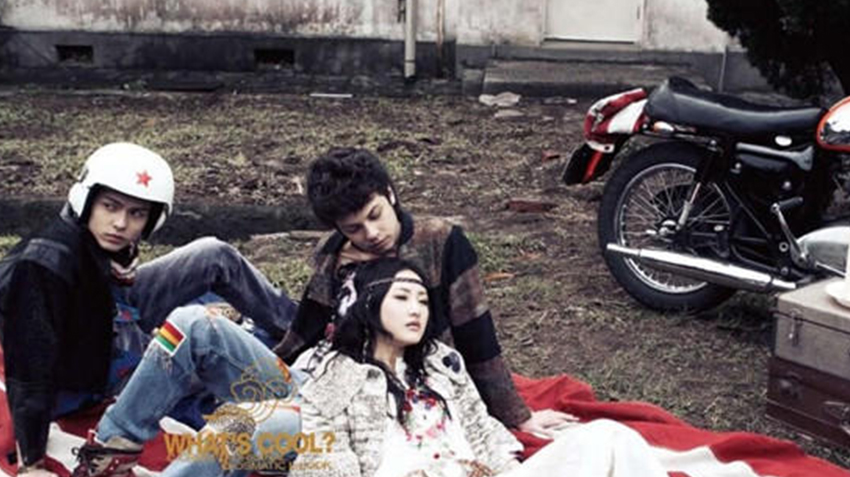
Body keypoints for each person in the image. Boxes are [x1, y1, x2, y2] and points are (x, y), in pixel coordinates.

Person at [0, 142, 297, 476]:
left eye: (136, 213)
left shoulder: (100, 244)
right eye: (110, 206)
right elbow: (29, 367)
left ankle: (301, 333)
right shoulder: (43, 267)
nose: (120, 223)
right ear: (86, 200)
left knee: (213, 255)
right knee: (201, 347)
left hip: (111, 309)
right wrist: (32, 464)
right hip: (89, 369)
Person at [274, 147, 571, 436]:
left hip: (406, 392)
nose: (371, 233)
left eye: (375, 215)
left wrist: (517, 415)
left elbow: (476, 332)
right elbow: (306, 327)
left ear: (390, 194)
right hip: (334, 380)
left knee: (260, 428)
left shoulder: (439, 241)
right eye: (354, 229)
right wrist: (276, 372)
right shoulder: (333, 252)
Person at [291, 257, 668, 477]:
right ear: (367, 303)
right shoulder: (334, 379)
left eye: (423, 301)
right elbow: (320, 462)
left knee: (608, 436)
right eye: (402, 297)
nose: (416, 310)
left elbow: (482, 430)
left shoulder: (440, 364)